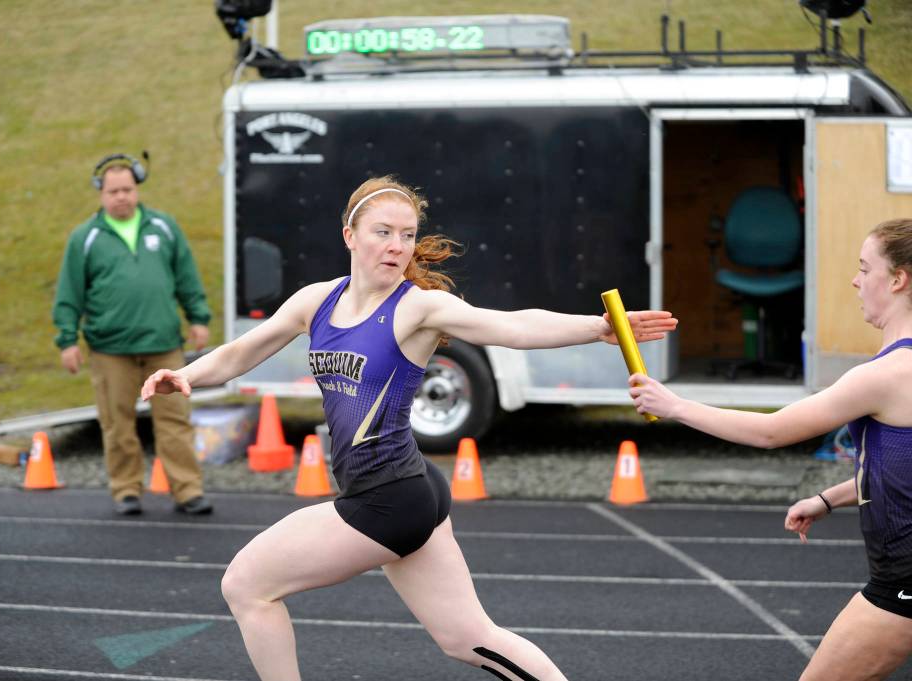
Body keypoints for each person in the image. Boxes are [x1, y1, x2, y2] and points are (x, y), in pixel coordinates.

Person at [141, 175, 678, 680]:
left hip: (389, 499)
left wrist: (597, 328)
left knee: (246, 585)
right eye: (383, 233)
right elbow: (239, 354)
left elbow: (511, 325)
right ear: (349, 235)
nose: (397, 245)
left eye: (407, 235)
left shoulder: (418, 308)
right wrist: (184, 375)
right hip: (409, 492)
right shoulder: (316, 301)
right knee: (468, 638)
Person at [629, 218, 912, 681]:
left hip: (902, 584)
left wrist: (676, 405)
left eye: (865, 268)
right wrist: (827, 499)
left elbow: (772, 432)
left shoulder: (884, 376)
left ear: (897, 279)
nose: (856, 281)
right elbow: (899, 467)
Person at [53, 152, 214, 516]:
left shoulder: (165, 227)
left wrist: (198, 319)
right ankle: (126, 491)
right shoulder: (86, 238)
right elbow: (69, 294)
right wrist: (67, 340)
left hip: (164, 346)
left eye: (127, 189)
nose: (121, 197)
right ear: (101, 193)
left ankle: (188, 491)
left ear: (136, 189)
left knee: (175, 420)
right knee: (117, 423)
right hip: (110, 349)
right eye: (113, 191)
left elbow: (187, 278)